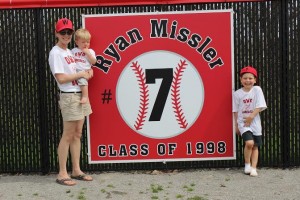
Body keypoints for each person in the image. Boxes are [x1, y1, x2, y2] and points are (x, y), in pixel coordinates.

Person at [48, 18, 93, 186]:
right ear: (57, 34)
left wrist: (87, 72)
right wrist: (81, 75)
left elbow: (80, 69)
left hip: (78, 94)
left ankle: (76, 170)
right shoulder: (56, 52)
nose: (66, 35)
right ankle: (62, 173)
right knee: (67, 135)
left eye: (68, 32)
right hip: (69, 96)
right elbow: (61, 78)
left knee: (77, 134)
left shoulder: (69, 52)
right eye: (63, 32)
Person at [233, 66, 267, 177]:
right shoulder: (237, 94)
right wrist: (237, 125)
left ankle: (253, 168)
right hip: (243, 123)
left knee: (255, 146)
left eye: (250, 78)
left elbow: (260, 106)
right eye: (245, 78)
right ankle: (247, 164)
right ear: (241, 80)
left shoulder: (257, 90)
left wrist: (251, 117)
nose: (248, 80)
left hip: (255, 122)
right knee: (249, 143)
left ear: (255, 80)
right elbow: (235, 110)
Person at [72, 28, 97, 104]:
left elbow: (94, 62)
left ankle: (85, 96)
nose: (86, 44)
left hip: (84, 71)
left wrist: (88, 54)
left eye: (88, 42)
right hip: (75, 71)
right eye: (83, 42)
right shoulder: (73, 51)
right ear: (76, 42)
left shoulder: (90, 51)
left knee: (83, 81)